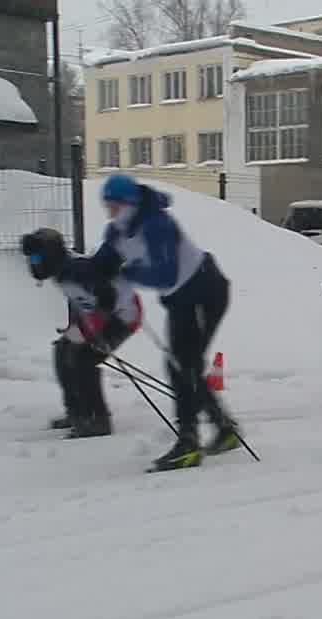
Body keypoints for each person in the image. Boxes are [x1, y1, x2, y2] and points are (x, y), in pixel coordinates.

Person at [92, 174, 240, 471]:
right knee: (183, 364)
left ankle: (189, 443)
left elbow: (165, 275)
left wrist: (126, 273)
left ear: (131, 204)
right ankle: (223, 429)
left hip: (205, 292)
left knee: (183, 364)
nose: (110, 213)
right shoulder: (117, 232)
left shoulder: (158, 224)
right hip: (178, 301)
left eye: (115, 207)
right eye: (107, 207)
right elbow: (101, 264)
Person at [21, 227, 142, 439]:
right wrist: (73, 329)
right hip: (98, 317)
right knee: (62, 350)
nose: (33, 262)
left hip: (123, 316)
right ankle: (77, 412)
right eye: (31, 257)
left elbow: (105, 299)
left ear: (50, 254)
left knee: (83, 359)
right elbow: (78, 302)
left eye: (37, 256)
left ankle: (98, 419)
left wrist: (98, 335)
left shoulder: (78, 271)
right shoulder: (61, 274)